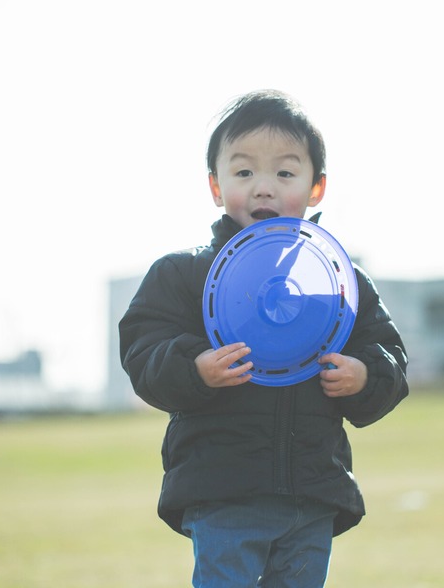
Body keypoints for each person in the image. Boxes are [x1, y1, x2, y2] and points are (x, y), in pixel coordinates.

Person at [118, 89, 409, 588]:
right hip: (224, 492)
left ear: (316, 188)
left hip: (312, 492)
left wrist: (363, 375)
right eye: (244, 172)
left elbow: (390, 358)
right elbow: (143, 352)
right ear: (216, 186)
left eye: (286, 173)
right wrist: (195, 368)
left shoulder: (338, 282)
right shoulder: (185, 274)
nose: (263, 189)